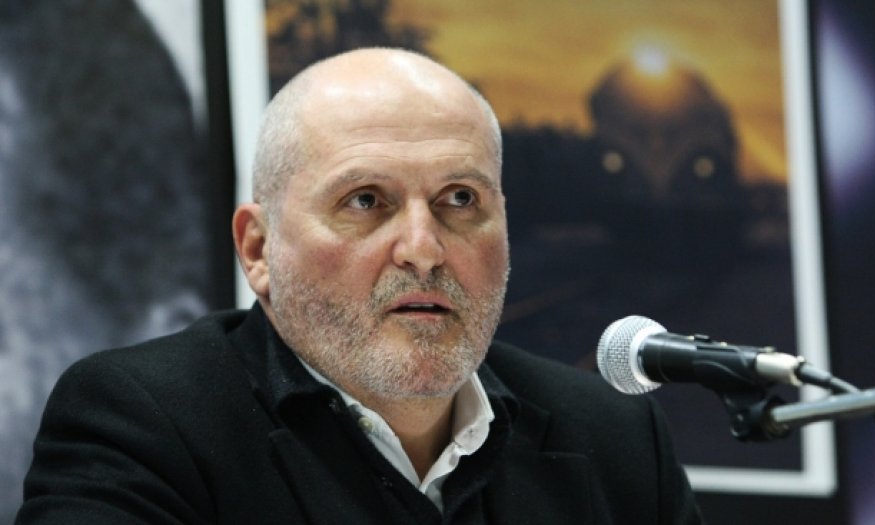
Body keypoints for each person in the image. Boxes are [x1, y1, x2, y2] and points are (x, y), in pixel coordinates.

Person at [17, 48, 702, 524]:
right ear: (258, 249)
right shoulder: (142, 423)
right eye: (366, 201)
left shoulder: (615, 436)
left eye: (460, 199)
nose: (424, 250)